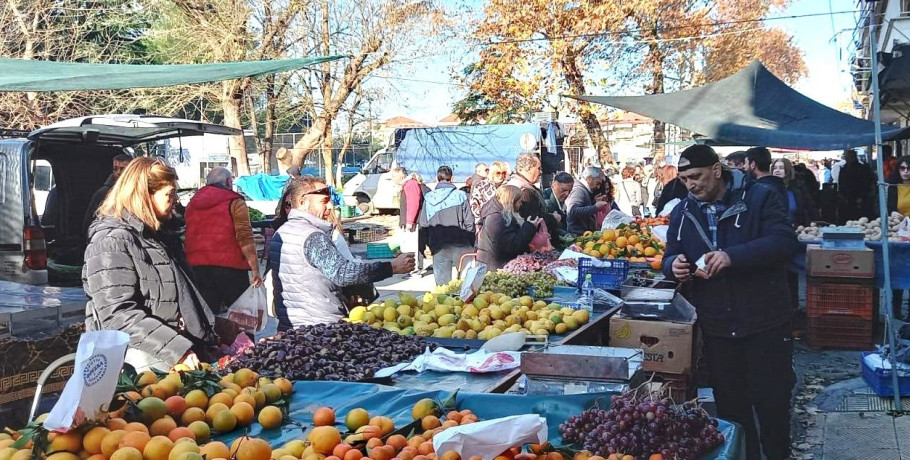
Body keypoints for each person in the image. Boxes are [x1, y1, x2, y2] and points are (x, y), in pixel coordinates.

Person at [663, 144, 798, 460]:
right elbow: (670, 253)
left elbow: (784, 242)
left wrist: (733, 256)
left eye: (696, 176)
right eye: (684, 179)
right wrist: (674, 265)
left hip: (765, 322)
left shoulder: (759, 197)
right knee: (733, 411)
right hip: (719, 328)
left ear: (716, 170)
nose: (691, 185)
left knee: (772, 405)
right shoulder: (682, 212)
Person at [83, 157, 217, 371]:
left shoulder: (158, 236)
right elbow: (117, 315)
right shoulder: (111, 241)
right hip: (137, 366)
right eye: (169, 195)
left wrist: (218, 327)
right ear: (144, 196)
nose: (175, 201)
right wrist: (177, 349)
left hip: (168, 360)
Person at [270, 176, 414, 329]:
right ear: (303, 202)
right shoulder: (312, 236)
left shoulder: (282, 232)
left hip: (290, 326)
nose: (331, 207)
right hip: (318, 328)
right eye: (324, 202)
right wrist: (392, 267)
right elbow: (342, 273)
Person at [184, 167, 262, 314]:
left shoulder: (191, 204)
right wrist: (255, 269)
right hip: (231, 269)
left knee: (207, 318)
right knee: (242, 319)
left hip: (198, 268)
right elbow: (244, 236)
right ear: (228, 181)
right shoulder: (234, 202)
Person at [419, 166, 475, 286]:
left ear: (437, 178)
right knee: (467, 286)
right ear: (452, 178)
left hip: (439, 246)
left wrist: (423, 247)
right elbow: (469, 222)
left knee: (442, 289)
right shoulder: (461, 196)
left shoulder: (428, 198)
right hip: (461, 245)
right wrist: (471, 242)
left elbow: (423, 225)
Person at [476, 185, 540, 270]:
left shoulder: (499, 215)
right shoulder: (496, 219)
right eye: (519, 202)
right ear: (511, 202)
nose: (520, 205)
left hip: (495, 264)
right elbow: (511, 246)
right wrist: (529, 227)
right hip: (494, 267)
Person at [507, 152, 559, 244]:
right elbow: (532, 219)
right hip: (530, 244)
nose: (541, 172)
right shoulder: (523, 191)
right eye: (539, 168)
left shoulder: (523, 186)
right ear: (528, 169)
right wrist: (553, 218)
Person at [82, 153, 133, 236]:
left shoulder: (138, 192)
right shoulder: (102, 193)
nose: (118, 172)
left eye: (122, 169)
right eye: (115, 169)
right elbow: (89, 222)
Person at [888, 156, 910, 320]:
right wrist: (893, 214)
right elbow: (887, 208)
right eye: (902, 168)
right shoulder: (893, 187)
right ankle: (896, 312)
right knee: (898, 272)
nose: (906, 172)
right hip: (898, 233)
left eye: (908, 168)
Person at [565, 166, 616, 235]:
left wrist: (594, 202)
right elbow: (572, 210)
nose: (598, 187)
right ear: (589, 179)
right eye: (597, 183)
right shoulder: (579, 190)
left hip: (583, 234)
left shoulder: (583, 190)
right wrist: (595, 207)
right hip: (578, 235)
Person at [771, 158, 818, 228]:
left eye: (781, 168)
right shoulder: (768, 188)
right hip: (774, 231)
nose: (777, 170)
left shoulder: (799, 189)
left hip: (797, 230)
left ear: (788, 170)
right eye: (775, 168)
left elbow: (810, 209)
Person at [838, 149, 875, 223]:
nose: (849, 158)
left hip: (859, 198)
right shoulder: (843, 169)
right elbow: (841, 183)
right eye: (848, 156)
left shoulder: (862, 169)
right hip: (846, 199)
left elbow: (866, 184)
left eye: (851, 156)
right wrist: (842, 195)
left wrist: (861, 196)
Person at [470, 161, 510, 228]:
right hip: (484, 224)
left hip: (504, 224)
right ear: (492, 173)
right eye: (498, 173)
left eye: (503, 173)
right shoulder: (481, 185)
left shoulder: (507, 187)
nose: (501, 176)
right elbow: (474, 204)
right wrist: (482, 219)